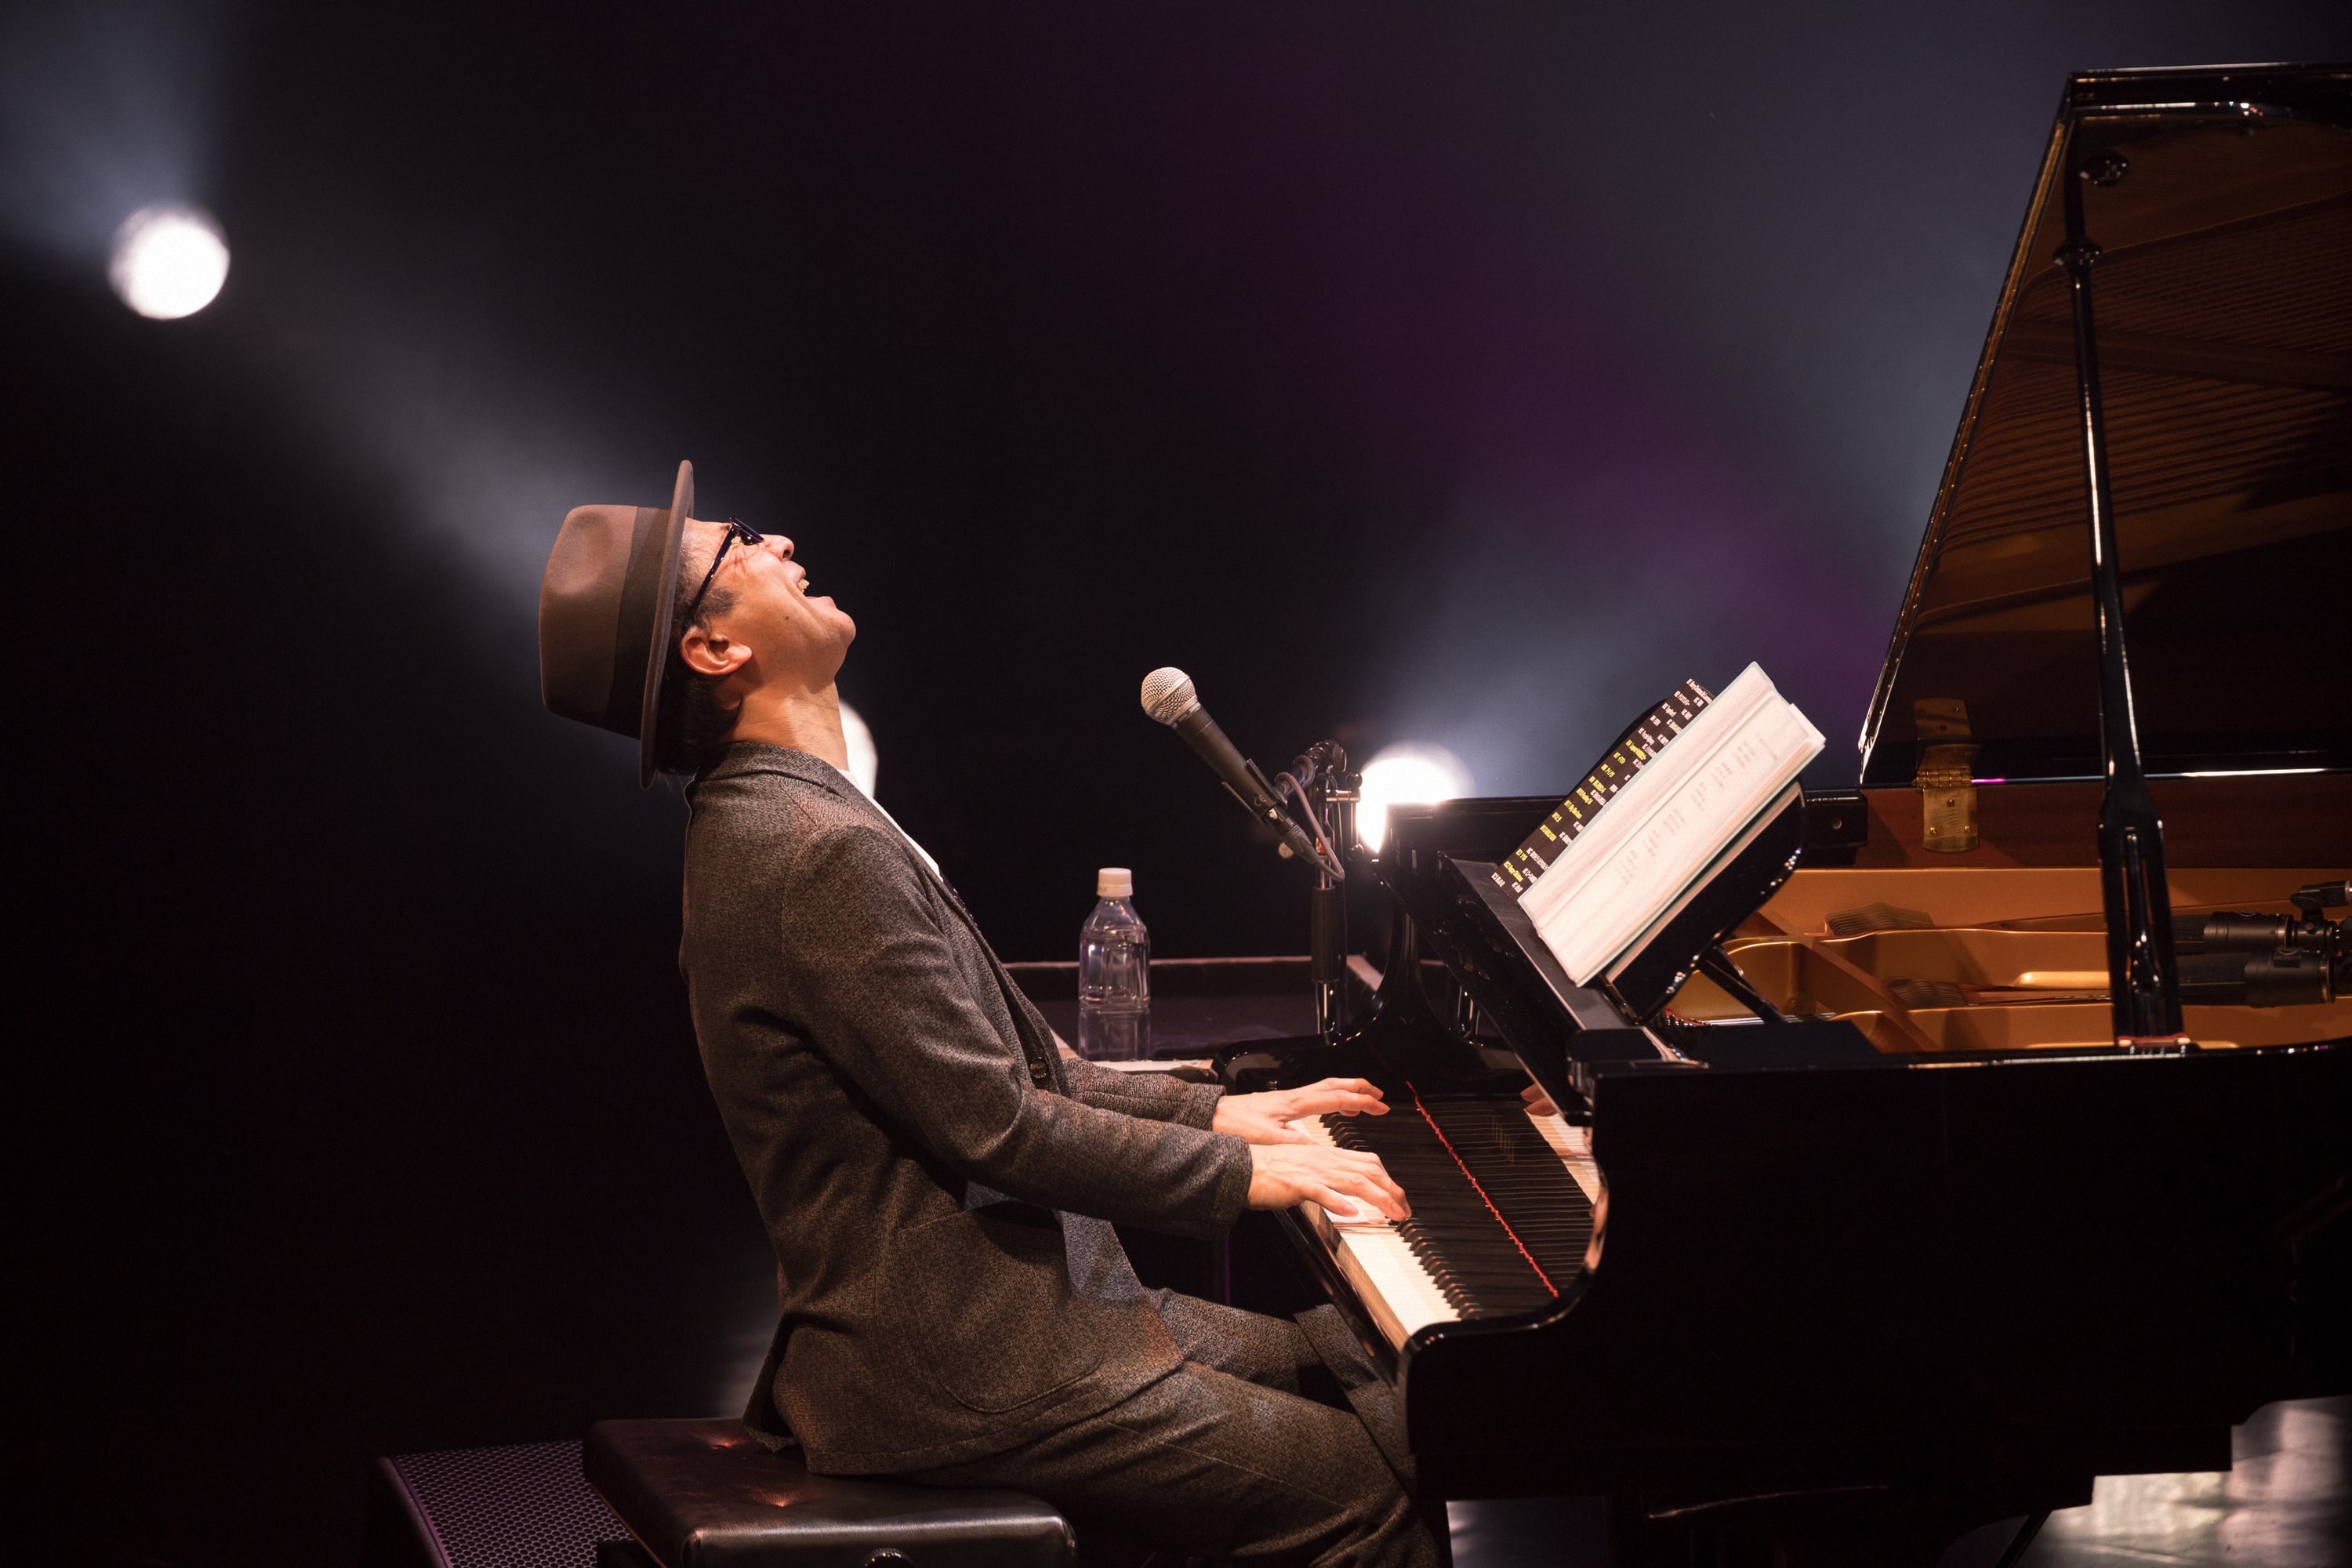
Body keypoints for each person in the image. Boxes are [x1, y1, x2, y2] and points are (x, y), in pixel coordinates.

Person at [537, 463, 1443, 1566]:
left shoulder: (796, 815)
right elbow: (998, 1127)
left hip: (1025, 1320)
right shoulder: (805, 850)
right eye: (743, 543)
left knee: (1380, 1380)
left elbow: (1022, 1074)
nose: (779, 544)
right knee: (1366, 1492)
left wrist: (1222, 1112)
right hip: (968, 1366)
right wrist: (1245, 1174)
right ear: (714, 648)